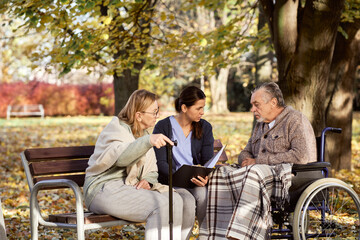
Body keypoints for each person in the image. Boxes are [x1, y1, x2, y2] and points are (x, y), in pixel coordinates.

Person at [205, 82, 317, 240]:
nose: (252, 110)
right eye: (252, 105)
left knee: (255, 171)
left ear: (273, 102)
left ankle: (239, 236)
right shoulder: (260, 125)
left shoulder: (295, 120)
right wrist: (245, 159)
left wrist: (258, 161)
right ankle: (218, 235)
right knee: (220, 173)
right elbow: (246, 151)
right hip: (260, 175)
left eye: (256, 105)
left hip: (292, 178)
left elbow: (301, 156)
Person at [83, 89, 192, 240]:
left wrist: (148, 180)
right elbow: (121, 158)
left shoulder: (144, 134)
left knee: (183, 199)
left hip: (127, 186)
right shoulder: (117, 128)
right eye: (154, 112)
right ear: (139, 115)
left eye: (157, 111)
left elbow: (152, 170)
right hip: (102, 189)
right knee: (161, 204)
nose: (157, 115)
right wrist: (148, 142)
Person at [153, 86, 214, 239]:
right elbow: (161, 163)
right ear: (184, 107)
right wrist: (180, 177)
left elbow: (208, 160)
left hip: (194, 180)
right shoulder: (163, 126)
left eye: (203, 108)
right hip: (171, 181)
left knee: (202, 193)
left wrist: (204, 177)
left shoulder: (205, 127)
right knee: (186, 199)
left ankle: (207, 236)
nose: (202, 112)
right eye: (198, 108)